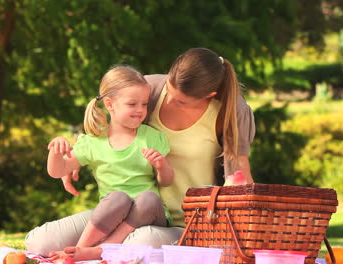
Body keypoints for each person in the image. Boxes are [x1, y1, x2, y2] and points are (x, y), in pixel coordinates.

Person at [25, 47, 255, 258]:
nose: (170, 100)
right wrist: (72, 157)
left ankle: (93, 252)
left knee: (141, 240)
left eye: (181, 101)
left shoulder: (231, 112)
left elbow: (239, 172)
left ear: (209, 96)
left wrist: (246, 225)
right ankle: (93, 250)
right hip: (122, 207)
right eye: (169, 90)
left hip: (181, 223)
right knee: (40, 242)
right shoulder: (150, 90)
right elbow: (111, 111)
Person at [43, 65, 174, 261]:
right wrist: (56, 151)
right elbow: (57, 171)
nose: (140, 110)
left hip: (148, 214)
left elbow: (167, 181)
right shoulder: (94, 142)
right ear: (110, 104)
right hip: (113, 216)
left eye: (144, 104)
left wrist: (161, 165)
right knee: (117, 198)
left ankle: (101, 249)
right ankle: (78, 252)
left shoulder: (153, 138)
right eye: (132, 104)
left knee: (148, 198)